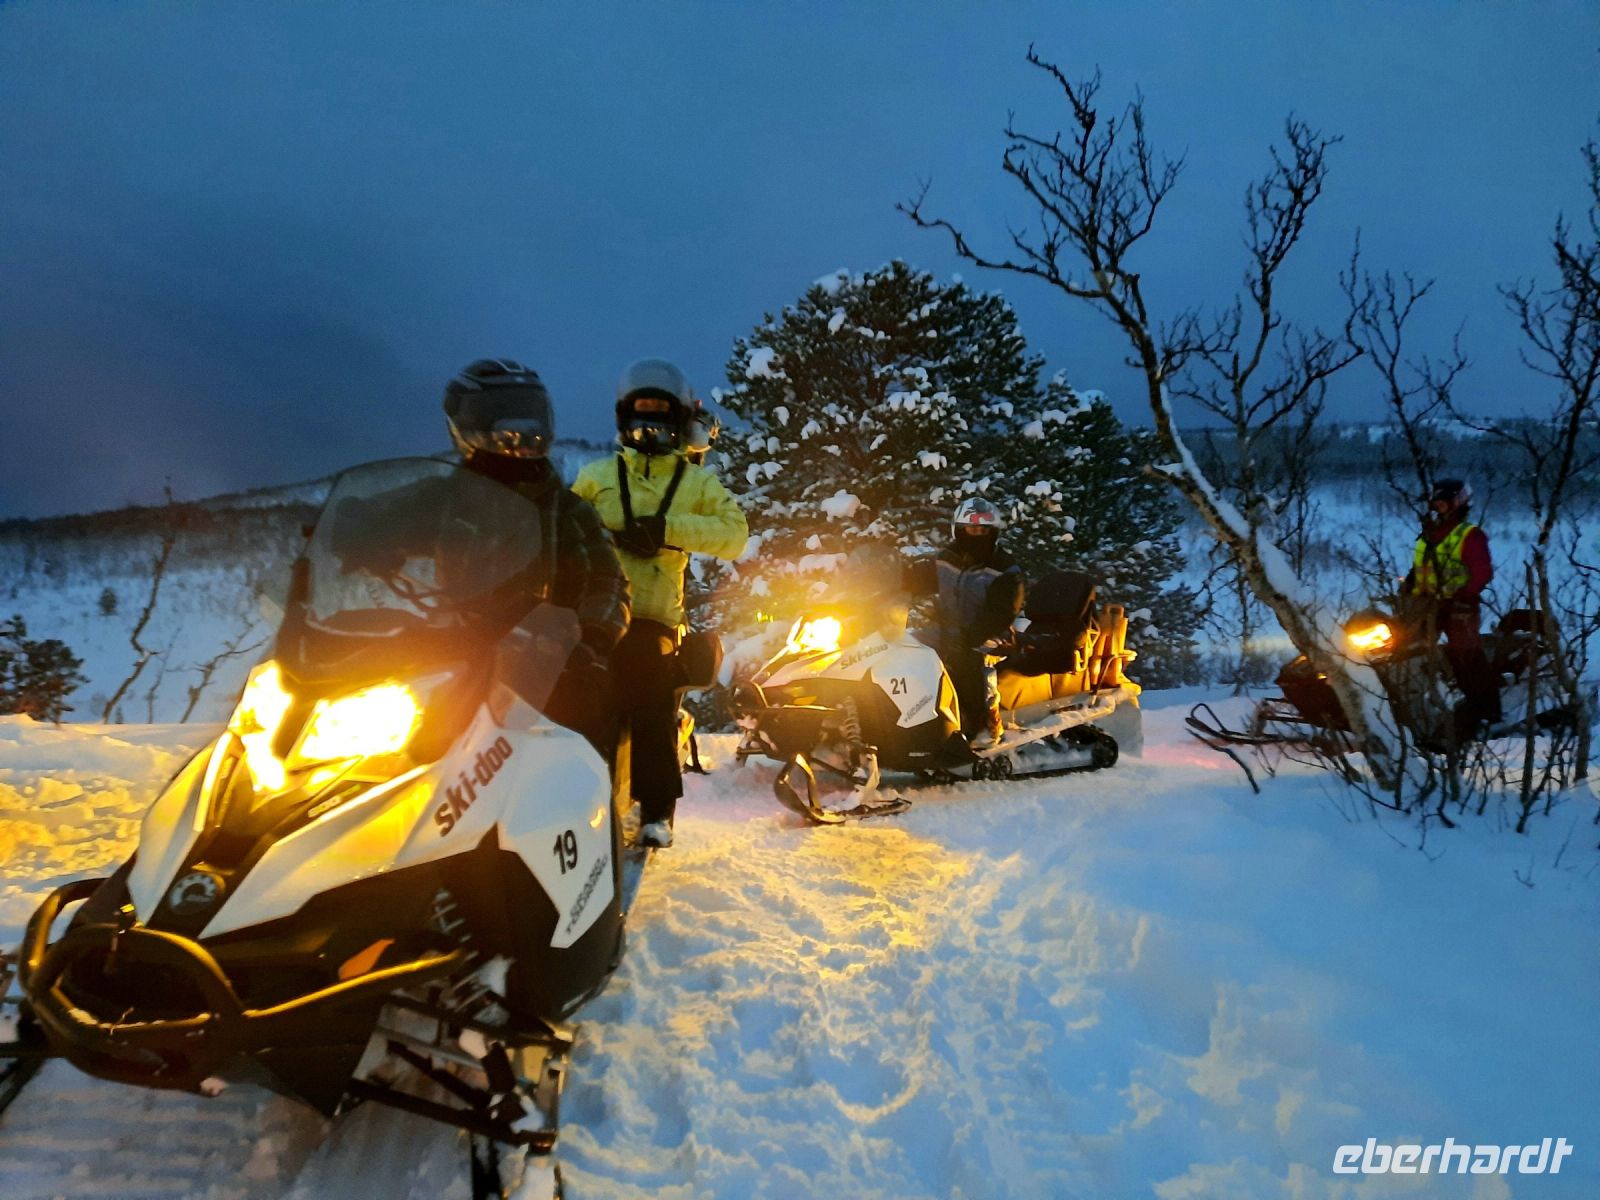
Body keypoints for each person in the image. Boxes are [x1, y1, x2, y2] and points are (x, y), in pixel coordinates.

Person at [572, 359, 748, 848]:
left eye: (658, 420)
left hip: (654, 619)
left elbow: (736, 535)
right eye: (637, 419)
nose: (646, 430)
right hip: (592, 613)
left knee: (649, 691)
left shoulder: (696, 484)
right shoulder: (597, 475)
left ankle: (657, 809)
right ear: (622, 420)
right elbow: (558, 525)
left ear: (676, 424)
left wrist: (667, 531)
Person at [442, 359, 631, 749]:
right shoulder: (443, 502)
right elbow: (385, 519)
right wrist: (349, 523)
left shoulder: (565, 509)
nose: (519, 437)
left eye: (530, 422)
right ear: (467, 425)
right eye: (501, 423)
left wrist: (590, 638)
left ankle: (599, 808)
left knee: (580, 742)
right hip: (450, 648)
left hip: (547, 661)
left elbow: (607, 578)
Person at [908, 496, 1025, 746]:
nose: (977, 534)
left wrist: (974, 634)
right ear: (959, 530)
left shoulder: (1004, 569)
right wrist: (888, 580)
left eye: (983, 530)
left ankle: (986, 726)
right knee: (907, 645)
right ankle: (913, 720)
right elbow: (913, 580)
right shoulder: (945, 559)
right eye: (971, 529)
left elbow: (1003, 611)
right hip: (949, 630)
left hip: (993, 633)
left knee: (970, 658)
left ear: (993, 532)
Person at [1400, 477, 1499, 733]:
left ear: (1459, 503)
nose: (1440, 506)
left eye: (1445, 502)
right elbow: (1421, 566)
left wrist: (1464, 596)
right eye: (1437, 502)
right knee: (1405, 652)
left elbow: (1482, 571)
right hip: (1425, 606)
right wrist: (1409, 585)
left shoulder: (1470, 535)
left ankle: (1487, 713)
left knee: (1465, 657)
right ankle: (1403, 709)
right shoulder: (1429, 534)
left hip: (1458, 608)